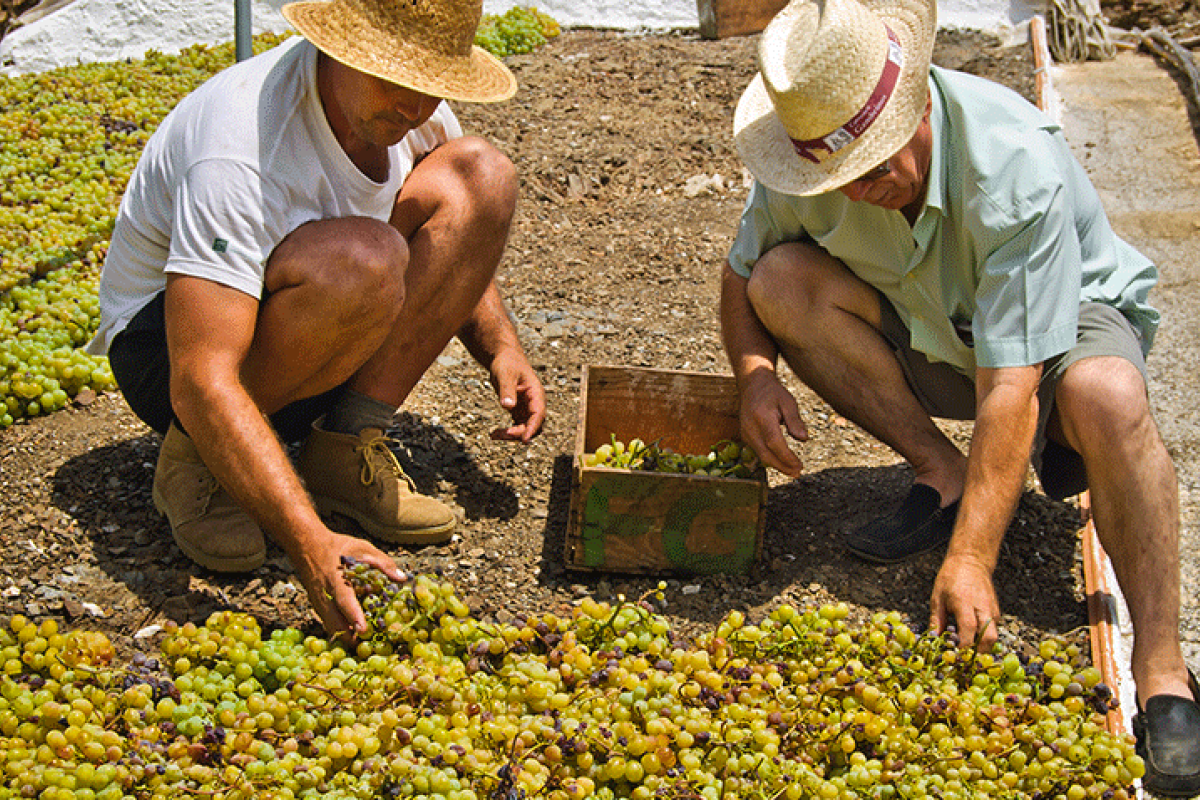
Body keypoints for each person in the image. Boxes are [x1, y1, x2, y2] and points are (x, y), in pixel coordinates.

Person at [720, 0, 1200, 793]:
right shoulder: (808, 166)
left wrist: (973, 559)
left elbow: (1011, 387)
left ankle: (1161, 663)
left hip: (1063, 329)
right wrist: (755, 377)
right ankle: (941, 473)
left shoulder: (1012, 166)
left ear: (911, 104)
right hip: (935, 320)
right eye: (841, 176)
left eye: (875, 165)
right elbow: (742, 275)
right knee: (783, 283)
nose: (861, 189)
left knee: (1106, 395)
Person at [85, 0, 545, 641]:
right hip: (169, 356)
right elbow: (200, 374)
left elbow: (452, 230)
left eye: (429, 83)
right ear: (340, 48)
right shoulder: (240, 144)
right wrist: (307, 543)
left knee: (481, 176)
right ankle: (195, 461)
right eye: (394, 77)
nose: (414, 107)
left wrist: (501, 346)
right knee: (366, 258)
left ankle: (342, 451)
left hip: (308, 324)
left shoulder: (412, 110)